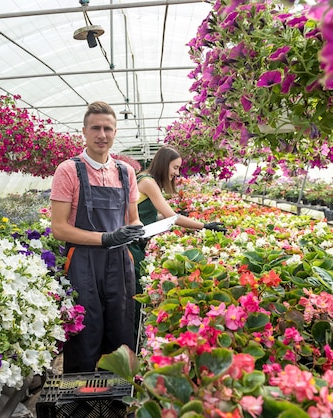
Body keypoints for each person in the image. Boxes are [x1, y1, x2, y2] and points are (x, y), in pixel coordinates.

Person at [50, 101, 145, 373]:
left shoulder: (125, 172)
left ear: (115, 133)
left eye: (108, 128)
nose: (102, 134)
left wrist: (136, 230)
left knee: (120, 329)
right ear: (84, 131)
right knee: (85, 333)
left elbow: (133, 217)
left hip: (119, 263)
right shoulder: (69, 170)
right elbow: (59, 228)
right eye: (96, 128)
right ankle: (79, 400)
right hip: (82, 262)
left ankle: (117, 398)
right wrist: (105, 238)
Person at [129, 145, 226, 296]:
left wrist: (180, 215)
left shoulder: (146, 179)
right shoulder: (148, 182)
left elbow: (149, 216)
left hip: (137, 242)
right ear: (163, 163)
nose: (177, 173)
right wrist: (204, 226)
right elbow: (171, 217)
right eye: (175, 167)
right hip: (131, 245)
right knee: (137, 288)